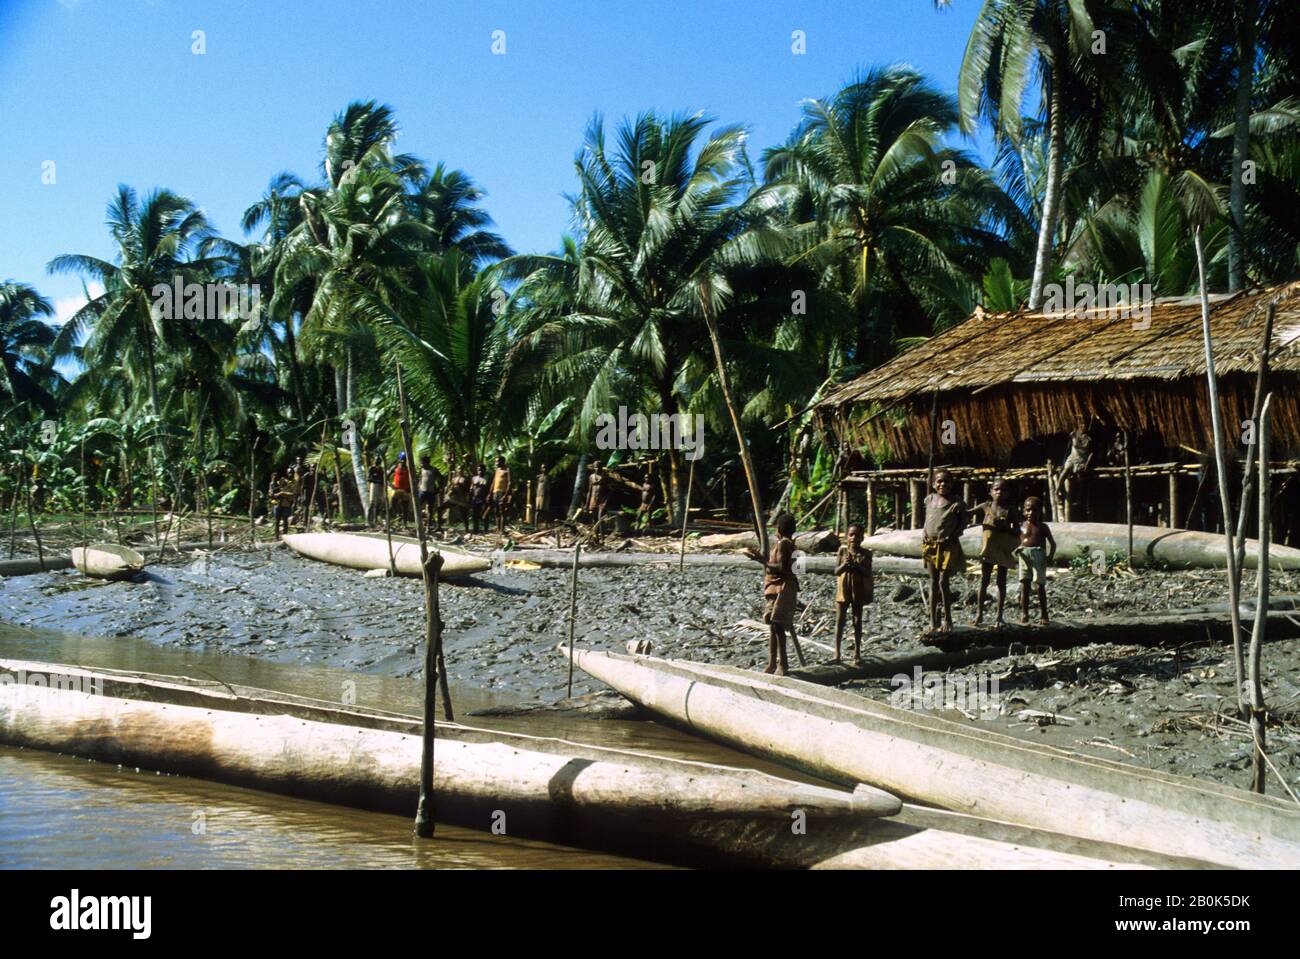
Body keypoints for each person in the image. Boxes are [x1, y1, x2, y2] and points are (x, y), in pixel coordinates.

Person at [745, 512, 799, 675]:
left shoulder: (784, 544)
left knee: (777, 625)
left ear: (779, 529)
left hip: (783, 587)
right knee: (773, 626)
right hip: (780, 587)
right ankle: (772, 663)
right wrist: (763, 558)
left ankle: (783, 664)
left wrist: (760, 560)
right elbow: (795, 568)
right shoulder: (791, 545)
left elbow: (781, 568)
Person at [922, 469, 967, 634]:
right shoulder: (929, 499)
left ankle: (948, 618)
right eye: (939, 481)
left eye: (946, 481)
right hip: (930, 545)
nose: (943, 484)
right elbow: (927, 520)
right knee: (933, 582)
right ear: (933, 484)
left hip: (948, 546)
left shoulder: (956, 503)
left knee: (943, 582)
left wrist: (951, 536)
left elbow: (963, 524)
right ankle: (933, 620)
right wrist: (924, 534)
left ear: (951, 484)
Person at [973, 478, 1021, 628]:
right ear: (990, 492)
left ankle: (999, 616)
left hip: (1003, 549)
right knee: (984, 581)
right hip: (988, 549)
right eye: (996, 489)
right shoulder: (985, 507)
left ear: (1008, 493)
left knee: (1001, 582)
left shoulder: (1010, 510)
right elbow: (965, 513)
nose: (999, 492)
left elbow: (1018, 531)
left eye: (1003, 490)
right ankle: (979, 614)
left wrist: (1006, 527)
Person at [833, 523, 873, 663]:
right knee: (840, 620)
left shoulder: (866, 554)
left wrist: (855, 566)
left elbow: (868, 572)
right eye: (851, 535)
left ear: (862, 537)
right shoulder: (842, 552)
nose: (853, 538)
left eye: (857, 535)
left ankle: (857, 653)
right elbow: (836, 571)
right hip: (843, 590)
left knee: (857, 621)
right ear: (847, 536)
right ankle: (836, 654)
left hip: (858, 591)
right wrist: (845, 564)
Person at [1016, 496, 1056, 624]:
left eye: (1034, 510)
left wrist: (1049, 557)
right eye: (1028, 510)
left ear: (1040, 512)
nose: (1031, 513)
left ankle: (1044, 615)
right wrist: (1017, 549)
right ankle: (1024, 613)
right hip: (1023, 555)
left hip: (1038, 554)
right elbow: (1016, 541)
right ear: (1023, 511)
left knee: (1040, 585)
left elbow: (1053, 544)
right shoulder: (1021, 526)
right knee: (1024, 585)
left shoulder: (1042, 527)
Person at [442, 457, 471, 532]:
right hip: (453, 498)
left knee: (463, 514)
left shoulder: (465, 478)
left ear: (463, 470)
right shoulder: (454, 478)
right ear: (457, 470)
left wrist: (460, 485)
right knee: (440, 509)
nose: (460, 470)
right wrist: (449, 490)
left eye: (461, 469)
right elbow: (451, 487)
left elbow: (467, 489)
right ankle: (439, 526)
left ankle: (467, 529)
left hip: (461, 499)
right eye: (459, 469)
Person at [417, 455, 442, 533]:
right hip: (422, 491)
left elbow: (441, 479)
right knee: (418, 507)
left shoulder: (434, 470)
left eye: (422, 463)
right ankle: (419, 525)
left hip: (431, 492)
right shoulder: (421, 470)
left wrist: (438, 488)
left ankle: (428, 527)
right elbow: (419, 479)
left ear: (426, 463)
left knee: (430, 510)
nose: (421, 464)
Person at [585, 463, 608, 539]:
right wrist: (586, 504)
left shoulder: (604, 477)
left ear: (601, 467)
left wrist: (606, 501)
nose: (597, 469)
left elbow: (609, 490)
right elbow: (589, 490)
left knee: (600, 518)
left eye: (598, 467)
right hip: (593, 499)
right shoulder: (591, 477)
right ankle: (596, 536)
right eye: (595, 467)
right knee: (594, 519)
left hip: (602, 500)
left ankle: (602, 537)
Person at [390, 452, 413, 527]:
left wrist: (410, 488)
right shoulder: (395, 467)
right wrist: (390, 484)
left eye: (404, 460)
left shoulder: (408, 468)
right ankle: (396, 515)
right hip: (397, 489)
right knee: (393, 504)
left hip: (405, 490)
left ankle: (405, 523)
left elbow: (412, 478)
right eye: (402, 459)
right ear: (399, 460)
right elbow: (387, 475)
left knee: (405, 507)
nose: (403, 461)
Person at [491, 455, 512, 534]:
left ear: (502, 461)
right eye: (495, 461)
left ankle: (501, 530)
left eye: (498, 461)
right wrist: (490, 493)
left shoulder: (507, 470)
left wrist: (505, 495)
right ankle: (498, 528)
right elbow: (493, 482)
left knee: (502, 512)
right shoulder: (497, 470)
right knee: (496, 512)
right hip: (495, 493)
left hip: (502, 492)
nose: (496, 463)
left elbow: (510, 483)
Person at [273, 471, 295, 538]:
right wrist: (279, 494)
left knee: (285, 521)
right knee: (277, 522)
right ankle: (276, 536)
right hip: (277, 505)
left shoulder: (289, 484)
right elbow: (271, 495)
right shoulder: (274, 484)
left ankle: (285, 536)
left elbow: (292, 495)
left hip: (286, 505)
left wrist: (283, 493)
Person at [366, 456, 385, 527]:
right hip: (373, 485)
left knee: (379, 503)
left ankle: (375, 519)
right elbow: (369, 478)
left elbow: (383, 479)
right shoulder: (372, 468)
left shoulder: (381, 470)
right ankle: (369, 520)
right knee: (372, 502)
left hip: (380, 486)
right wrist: (376, 481)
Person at [470, 462, 489, 534]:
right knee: (475, 515)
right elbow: (471, 487)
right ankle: (475, 530)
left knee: (485, 514)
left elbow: (489, 488)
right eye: (478, 470)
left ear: (484, 470)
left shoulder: (487, 478)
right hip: (475, 498)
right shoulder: (474, 478)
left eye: (481, 470)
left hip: (483, 498)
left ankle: (486, 530)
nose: (480, 471)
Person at [533, 464, 552, 529]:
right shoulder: (538, 477)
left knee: (546, 511)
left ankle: (546, 525)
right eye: (543, 468)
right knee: (537, 510)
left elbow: (549, 486)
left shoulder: (549, 477)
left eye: (545, 468)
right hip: (538, 495)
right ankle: (535, 526)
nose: (544, 469)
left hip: (546, 495)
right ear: (541, 469)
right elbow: (536, 486)